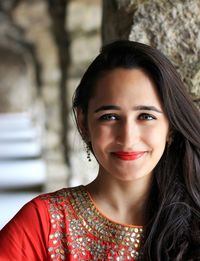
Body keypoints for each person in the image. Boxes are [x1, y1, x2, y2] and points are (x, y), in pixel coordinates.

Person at [0, 40, 199, 260]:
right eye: (110, 117)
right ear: (84, 123)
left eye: (146, 116)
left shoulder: (194, 222)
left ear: (170, 127)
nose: (128, 137)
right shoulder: (43, 224)